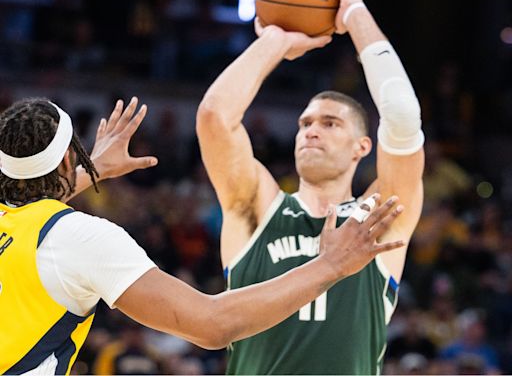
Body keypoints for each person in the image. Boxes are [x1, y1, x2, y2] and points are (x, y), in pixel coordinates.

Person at [0, 97, 404, 375]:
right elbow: (212, 324)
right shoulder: (80, 239)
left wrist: (94, 170)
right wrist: (329, 266)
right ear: (70, 156)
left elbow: (26, 204)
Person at [196, 0, 425, 374]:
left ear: (362, 147)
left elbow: (401, 116)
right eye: (305, 124)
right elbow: (214, 117)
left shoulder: (377, 217)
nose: (311, 132)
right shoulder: (258, 208)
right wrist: (275, 39)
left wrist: (354, 10)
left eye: (330, 123)